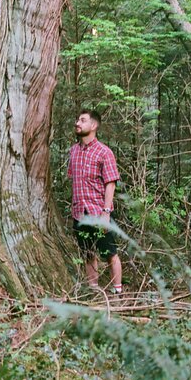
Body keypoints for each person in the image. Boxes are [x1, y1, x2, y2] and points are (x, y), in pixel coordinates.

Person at [67, 109, 122, 293]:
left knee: (110, 253)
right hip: (80, 213)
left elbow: (110, 183)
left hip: (99, 212)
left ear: (93, 125)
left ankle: (118, 292)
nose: (78, 123)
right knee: (88, 253)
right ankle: (94, 290)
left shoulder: (104, 152)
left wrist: (106, 213)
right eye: (77, 119)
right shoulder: (73, 151)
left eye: (82, 120)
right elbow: (73, 180)